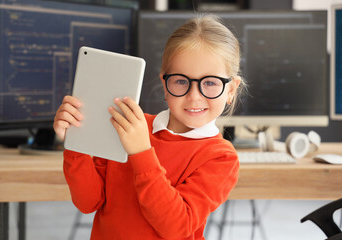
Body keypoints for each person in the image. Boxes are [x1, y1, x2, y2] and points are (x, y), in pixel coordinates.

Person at [54, 14, 243, 240]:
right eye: (181, 81)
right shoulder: (130, 125)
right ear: (165, 84)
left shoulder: (221, 157)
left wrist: (141, 153)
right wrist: (76, 142)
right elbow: (88, 202)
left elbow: (176, 226)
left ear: (231, 90)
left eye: (210, 83)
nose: (194, 97)